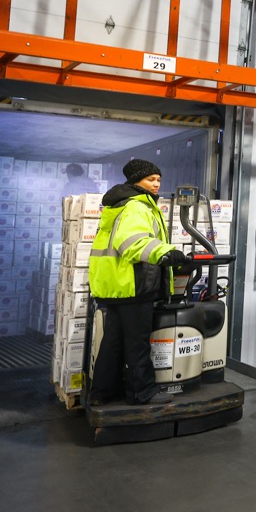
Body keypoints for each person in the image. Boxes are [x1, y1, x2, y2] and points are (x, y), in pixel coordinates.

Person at [87, 159, 192, 405]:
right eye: (150, 179)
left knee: (113, 343)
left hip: (118, 285)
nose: (156, 184)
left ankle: (102, 392)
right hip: (133, 284)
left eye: (158, 180)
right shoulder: (137, 206)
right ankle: (141, 392)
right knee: (137, 343)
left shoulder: (122, 204)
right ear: (136, 181)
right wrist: (166, 253)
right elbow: (132, 241)